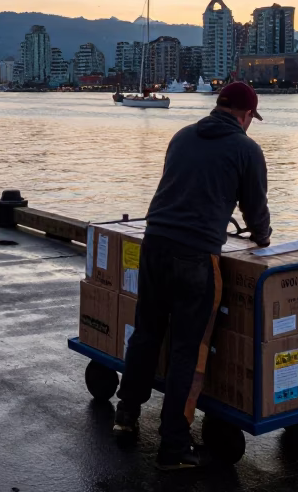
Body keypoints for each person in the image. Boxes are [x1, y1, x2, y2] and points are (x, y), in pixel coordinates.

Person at [113, 81, 272, 471]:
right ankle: (173, 447)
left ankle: (126, 415)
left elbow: (177, 188)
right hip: (195, 258)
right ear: (246, 115)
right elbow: (256, 210)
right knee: (187, 348)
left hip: (154, 245)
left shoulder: (182, 136)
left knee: (147, 333)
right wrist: (263, 240)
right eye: (252, 117)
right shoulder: (247, 149)